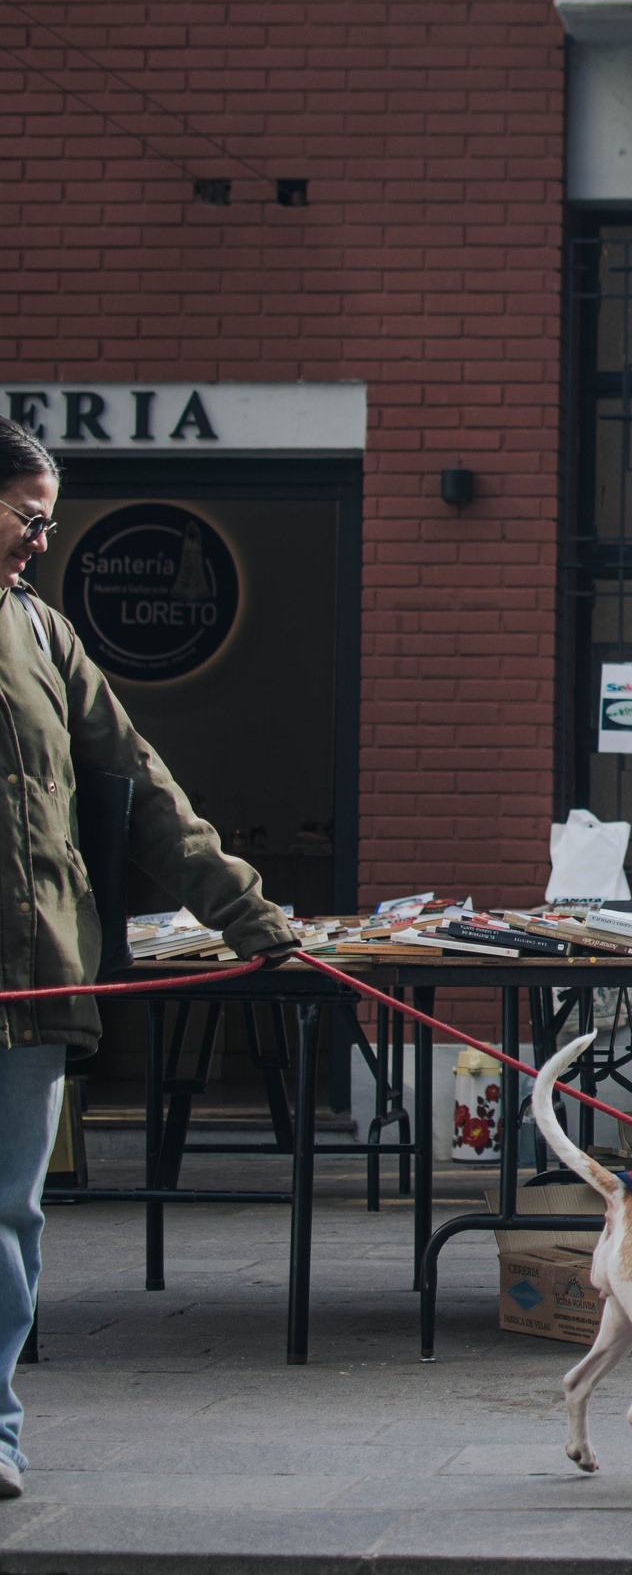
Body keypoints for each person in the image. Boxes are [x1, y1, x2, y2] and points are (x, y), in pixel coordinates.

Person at [0, 419, 297, 1501]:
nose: (44, 537)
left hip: (30, 979)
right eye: (30, 516)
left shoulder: (43, 633)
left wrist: (250, 913)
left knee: (7, 1213)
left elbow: (144, 787)